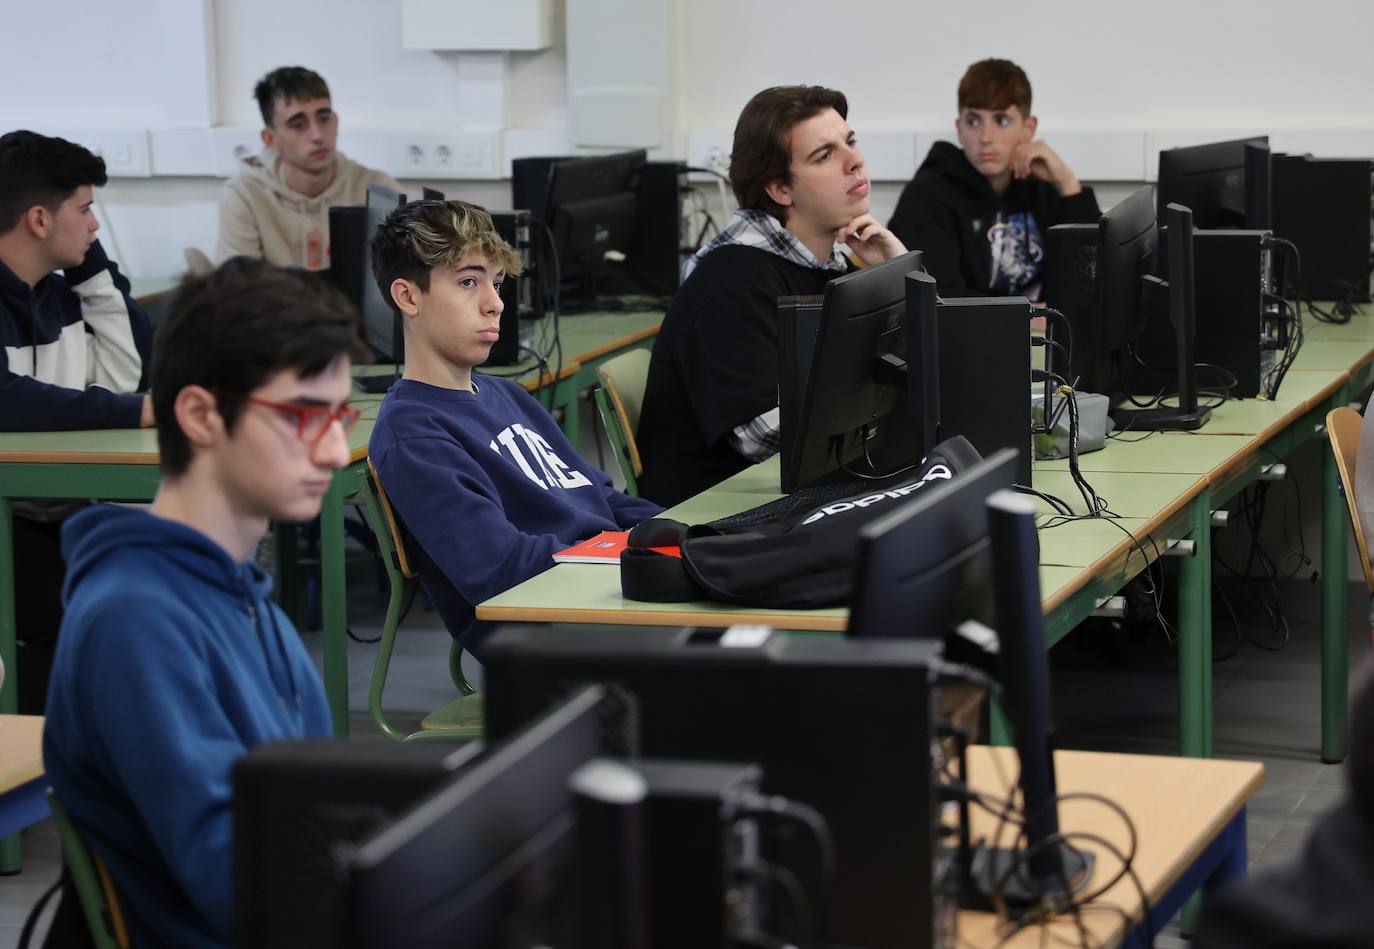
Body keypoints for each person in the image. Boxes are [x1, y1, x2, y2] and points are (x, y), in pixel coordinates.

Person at [43, 260, 364, 948]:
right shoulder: (135, 619)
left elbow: (314, 820)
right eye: (305, 417)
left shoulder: (249, 603)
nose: (338, 450)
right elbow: (250, 891)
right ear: (200, 414)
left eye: (340, 416)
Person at [368, 199, 662, 650]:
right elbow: (500, 570)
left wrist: (685, 536)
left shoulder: (507, 395)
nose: (494, 304)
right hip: (546, 630)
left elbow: (600, 496)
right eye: (468, 282)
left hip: (603, 591)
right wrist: (626, 553)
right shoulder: (413, 433)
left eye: (497, 283)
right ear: (408, 296)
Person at [635, 85, 909, 506]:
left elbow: (918, 382)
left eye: (850, 142)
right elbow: (768, 438)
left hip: (796, 503)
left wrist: (900, 274)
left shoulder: (834, 266)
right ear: (780, 189)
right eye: (825, 155)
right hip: (717, 524)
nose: (855, 161)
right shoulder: (732, 284)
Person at [0, 129, 154, 712]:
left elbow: (125, 372)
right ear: (38, 220)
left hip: (52, 511)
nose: (95, 226)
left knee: (165, 588)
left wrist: (91, 270)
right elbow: (6, 398)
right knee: (102, 623)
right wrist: (135, 411)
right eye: (86, 210)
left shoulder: (55, 297)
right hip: (10, 522)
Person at [887, 58, 1100, 299]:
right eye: (973, 121)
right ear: (959, 129)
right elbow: (941, 301)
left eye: (1001, 120)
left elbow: (1095, 277)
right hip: (974, 335)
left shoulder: (1041, 186)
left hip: (1047, 333)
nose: (986, 137)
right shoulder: (927, 195)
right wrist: (1028, 318)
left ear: (1028, 128)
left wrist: (1067, 184)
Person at [215, 65, 401, 270]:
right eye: (298, 124)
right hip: (276, 303)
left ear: (336, 121)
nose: (317, 135)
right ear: (271, 139)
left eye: (324, 119)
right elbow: (236, 290)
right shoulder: (244, 195)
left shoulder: (378, 190)